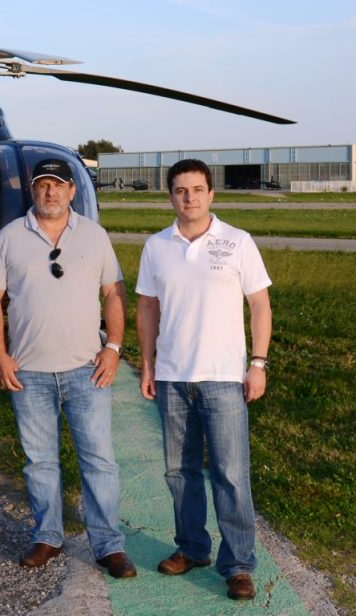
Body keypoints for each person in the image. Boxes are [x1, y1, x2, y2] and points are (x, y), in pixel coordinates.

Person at [0, 158, 136, 578]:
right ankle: (47, 536)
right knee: (39, 462)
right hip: (29, 372)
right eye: (42, 185)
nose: (50, 192)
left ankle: (108, 545)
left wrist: (115, 347)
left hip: (87, 370)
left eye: (59, 185)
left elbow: (114, 291)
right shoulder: (9, 237)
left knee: (100, 461)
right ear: (32, 191)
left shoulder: (95, 235)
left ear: (72, 191)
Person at [135, 158, 272, 601]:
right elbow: (147, 309)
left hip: (224, 378)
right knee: (180, 472)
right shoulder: (157, 246)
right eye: (180, 190)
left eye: (197, 189)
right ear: (170, 196)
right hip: (174, 378)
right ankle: (191, 548)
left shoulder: (237, 242)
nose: (189, 197)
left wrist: (258, 363)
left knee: (231, 474)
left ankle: (237, 564)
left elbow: (260, 306)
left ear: (211, 194)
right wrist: (149, 364)